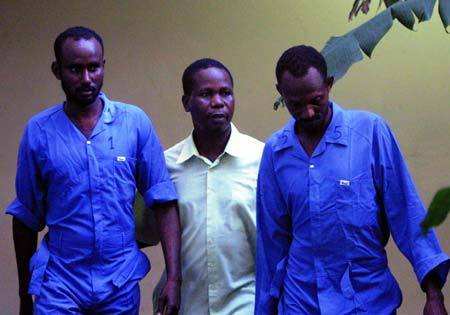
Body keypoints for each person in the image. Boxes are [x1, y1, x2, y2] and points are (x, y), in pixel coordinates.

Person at [255, 45, 449, 314]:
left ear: (329, 85)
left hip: (366, 302)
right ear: (281, 94)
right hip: (302, 302)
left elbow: (406, 212)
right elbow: (270, 243)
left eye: (316, 100)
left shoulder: (370, 132)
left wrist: (434, 294)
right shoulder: (276, 151)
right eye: (296, 105)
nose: (308, 112)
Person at [6, 26, 181, 315]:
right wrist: (25, 296)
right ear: (57, 70)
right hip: (60, 283)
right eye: (75, 69)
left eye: (94, 68)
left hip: (119, 282)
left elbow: (163, 200)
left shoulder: (134, 122)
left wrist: (174, 278)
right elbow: (26, 217)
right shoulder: (39, 131)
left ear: (103, 66)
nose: (86, 78)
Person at [151, 58, 264, 314]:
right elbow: (146, 232)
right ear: (186, 102)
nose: (218, 102)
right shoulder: (166, 166)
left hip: (247, 304)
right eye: (205, 94)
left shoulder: (262, 159)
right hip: (186, 305)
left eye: (225, 93)